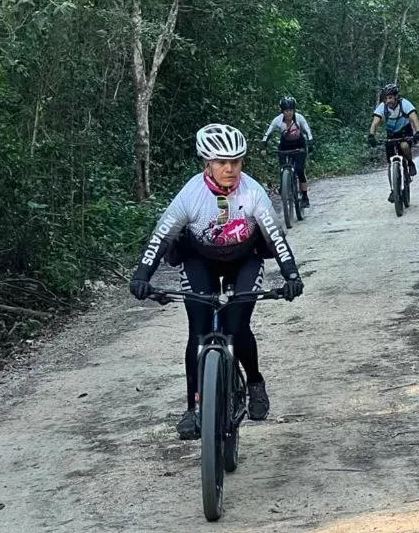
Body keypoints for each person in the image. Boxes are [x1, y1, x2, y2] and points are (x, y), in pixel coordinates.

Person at [129, 123, 304, 440]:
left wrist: (291, 274)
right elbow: (160, 237)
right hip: (201, 261)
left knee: (237, 326)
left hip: (244, 260)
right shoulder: (191, 195)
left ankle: (254, 382)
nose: (230, 168)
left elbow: (275, 237)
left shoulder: (252, 193)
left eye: (236, 161)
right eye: (222, 162)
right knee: (198, 330)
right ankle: (193, 409)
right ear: (206, 163)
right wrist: (142, 276)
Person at [367, 83, 419, 202]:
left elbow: (413, 117)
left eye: (390, 97)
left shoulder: (404, 104)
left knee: (404, 145)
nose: (388, 101)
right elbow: (375, 122)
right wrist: (371, 135)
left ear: (396, 97)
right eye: (386, 98)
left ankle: (410, 163)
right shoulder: (382, 107)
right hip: (391, 134)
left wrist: (417, 131)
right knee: (391, 163)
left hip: (405, 132)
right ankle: (393, 190)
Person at [261, 97, 314, 208]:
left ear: (293, 110)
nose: (288, 112)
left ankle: (304, 196)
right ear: (282, 111)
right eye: (286, 110)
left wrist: (310, 143)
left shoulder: (299, 118)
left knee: (299, 170)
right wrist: (264, 145)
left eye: (290, 110)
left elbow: (307, 130)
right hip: (284, 146)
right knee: (282, 168)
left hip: (300, 146)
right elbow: (268, 133)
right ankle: (284, 185)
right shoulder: (278, 120)